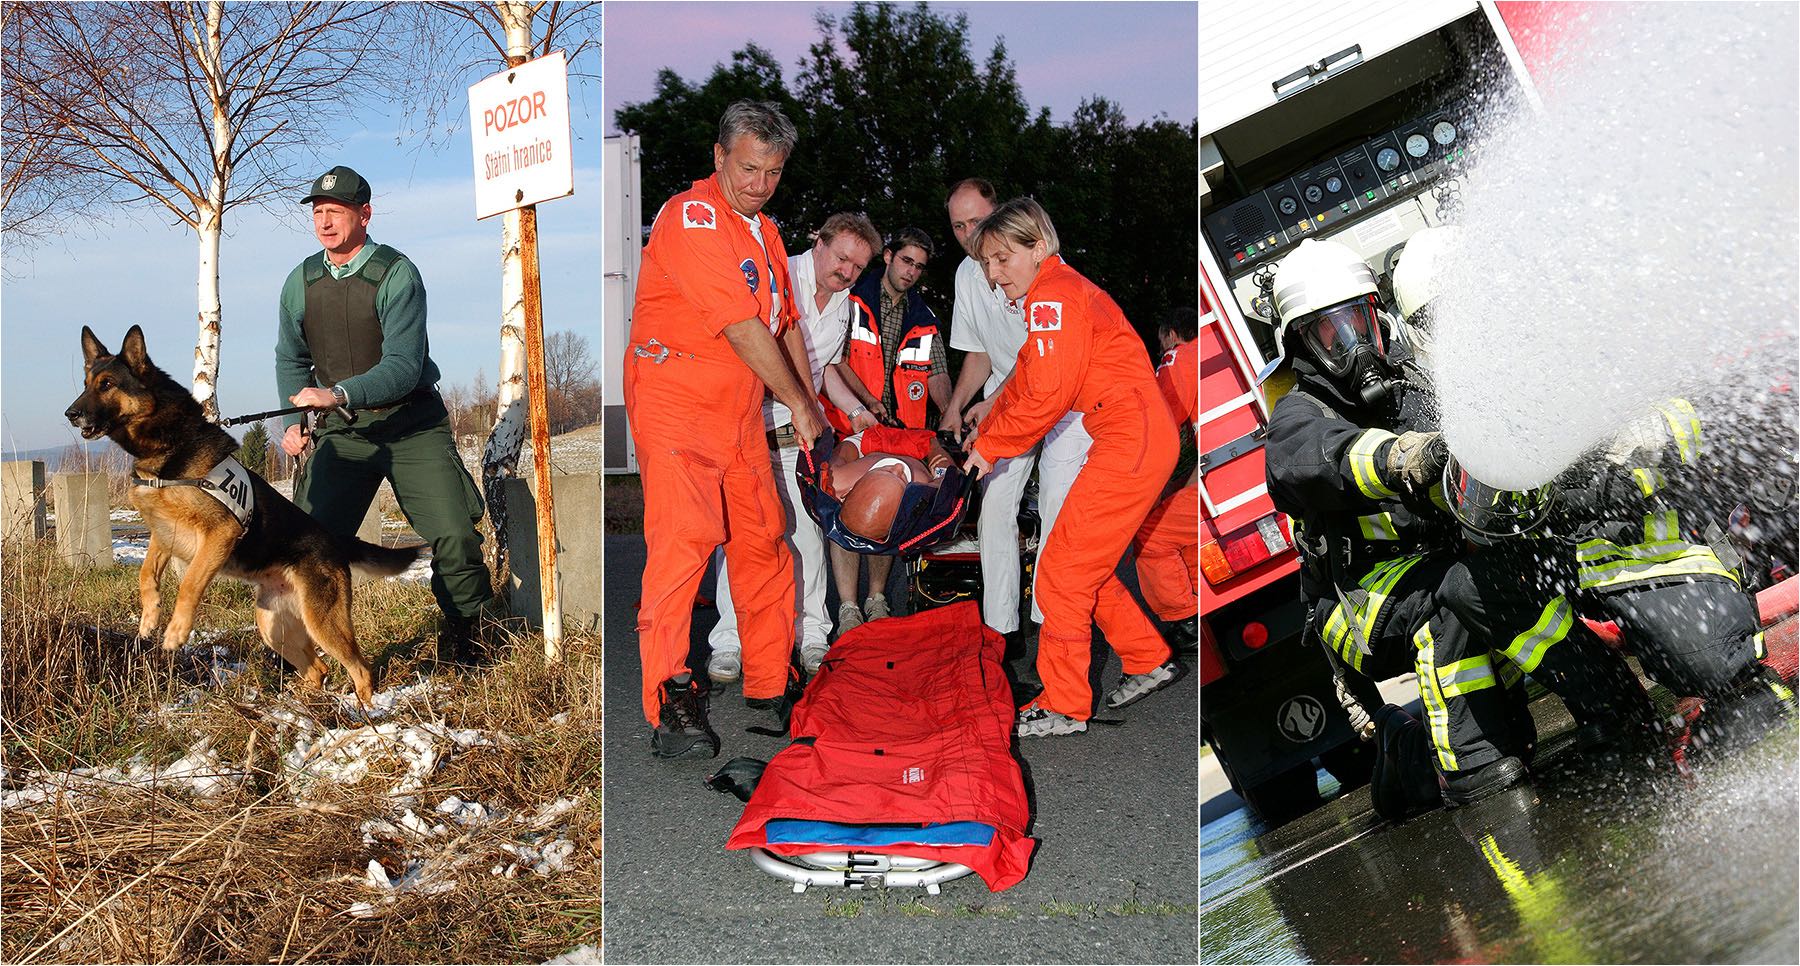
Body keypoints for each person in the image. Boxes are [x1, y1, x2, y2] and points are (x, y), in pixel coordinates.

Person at [1259, 237, 1652, 816]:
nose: (1355, 345)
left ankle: (1610, 705)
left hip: (1445, 571)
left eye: (1361, 321)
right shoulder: (1299, 418)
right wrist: (1403, 458)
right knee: (1454, 596)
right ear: (1302, 345)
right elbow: (1324, 460)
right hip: (1357, 606)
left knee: (1488, 590)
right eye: (1331, 333)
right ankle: (1474, 770)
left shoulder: (1410, 384)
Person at [624, 101, 826, 759]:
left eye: (771, 171)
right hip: (676, 397)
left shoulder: (764, 231)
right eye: (747, 167)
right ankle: (669, 696)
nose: (758, 183)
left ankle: (771, 682)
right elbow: (742, 327)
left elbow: (785, 324)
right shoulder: (692, 215)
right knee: (685, 543)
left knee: (764, 538)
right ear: (718, 157)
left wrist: (811, 401)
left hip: (738, 409)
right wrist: (797, 402)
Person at [963, 198, 1181, 738]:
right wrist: (986, 431)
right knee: (1082, 561)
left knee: (1060, 574)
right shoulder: (1053, 292)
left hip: (1129, 436)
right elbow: (1025, 381)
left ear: (1038, 247)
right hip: (1130, 433)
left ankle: (1063, 704)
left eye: (1000, 259)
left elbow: (1047, 397)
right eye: (985, 263)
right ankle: (1146, 656)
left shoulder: (1053, 297)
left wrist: (989, 450)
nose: (992, 275)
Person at [276, 165, 493, 663]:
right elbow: (291, 358)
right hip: (343, 436)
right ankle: (296, 651)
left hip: (411, 426)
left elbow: (401, 366)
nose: (325, 222)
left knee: (456, 535)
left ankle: (469, 638)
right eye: (318, 213)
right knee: (303, 545)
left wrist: (336, 394)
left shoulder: (397, 274)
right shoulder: (300, 281)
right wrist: (296, 423)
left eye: (336, 211)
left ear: (364, 214)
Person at [708, 213, 882, 680]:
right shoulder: (776, 272)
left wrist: (854, 410)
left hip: (799, 436)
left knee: (806, 534)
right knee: (743, 538)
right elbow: (765, 350)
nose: (846, 272)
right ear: (819, 243)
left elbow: (826, 371)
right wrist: (809, 406)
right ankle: (731, 640)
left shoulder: (844, 302)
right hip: (748, 425)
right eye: (842, 258)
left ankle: (811, 637)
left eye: (858, 267)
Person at [938, 178, 1092, 649]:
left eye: (977, 222)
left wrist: (995, 399)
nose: (968, 234)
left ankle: (1052, 622)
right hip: (1008, 395)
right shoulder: (967, 275)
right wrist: (953, 408)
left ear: (1000, 213)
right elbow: (979, 352)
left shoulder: (1034, 268)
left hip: (1059, 395)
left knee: (1055, 508)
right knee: (996, 508)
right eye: (958, 226)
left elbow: (1040, 355)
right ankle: (1002, 630)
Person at [826, 227, 950, 634]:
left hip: (904, 431)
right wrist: (869, 404)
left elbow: (937, 374)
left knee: (890, 510)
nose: (911, 272)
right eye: (906, 261)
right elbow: (835, 359)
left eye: (919, 267)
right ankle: (847, 605)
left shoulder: (926, 319)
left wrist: (950, 411)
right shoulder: (852, 298)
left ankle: (876, 597)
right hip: (850, 423)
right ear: (890, 256)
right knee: (846, 511)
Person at [1133, 307, 1200, 651]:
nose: (1162, 351)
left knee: (1150, 536)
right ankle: (1193, 603)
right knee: (1176, 516)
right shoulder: (1206, 355)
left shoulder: (1178, 357)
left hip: (1212, 477)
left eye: (1161, 343)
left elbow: (1161, 424)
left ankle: (1185, 619)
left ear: (1172, 335)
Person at [826, 425, 956, 543]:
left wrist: (868, 438)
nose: (897, 466)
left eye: (885, 470)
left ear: (850, 490)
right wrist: (933, 447)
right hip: (921, 452)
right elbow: (948, 475)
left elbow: (847, 447)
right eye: (901, 477)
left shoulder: (837, 479)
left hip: (870, 439)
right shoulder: (925, 493)